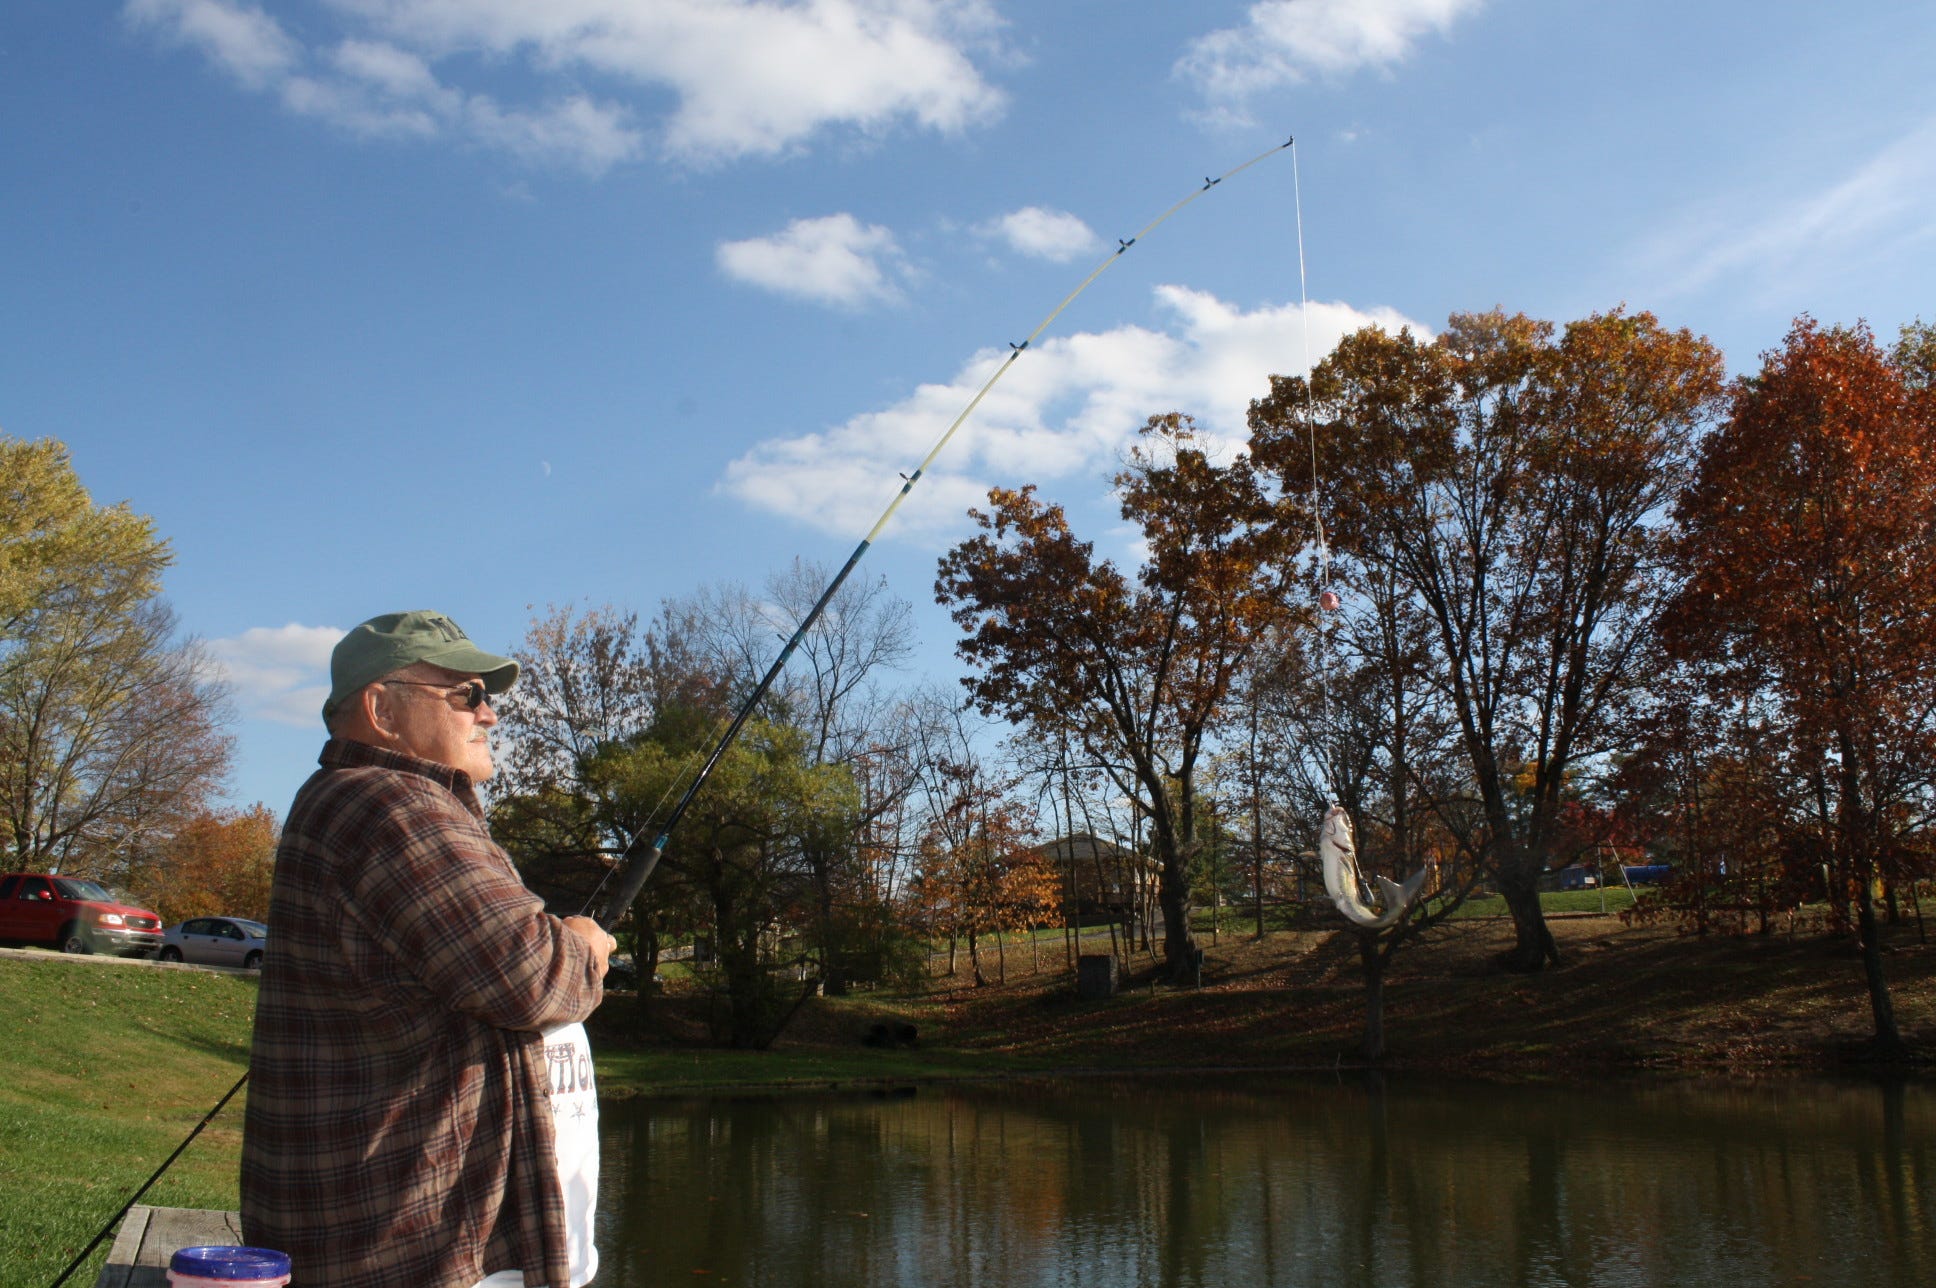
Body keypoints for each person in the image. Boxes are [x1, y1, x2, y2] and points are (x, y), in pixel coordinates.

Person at [242, 610, 614, 1288]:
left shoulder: (370, 801)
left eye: (488, 696)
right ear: (382, 708)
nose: (490, 715)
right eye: (467, 695)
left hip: (406, 1238)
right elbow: (530, 975)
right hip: (408, 1253)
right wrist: (584, 945)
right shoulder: (389, 806)